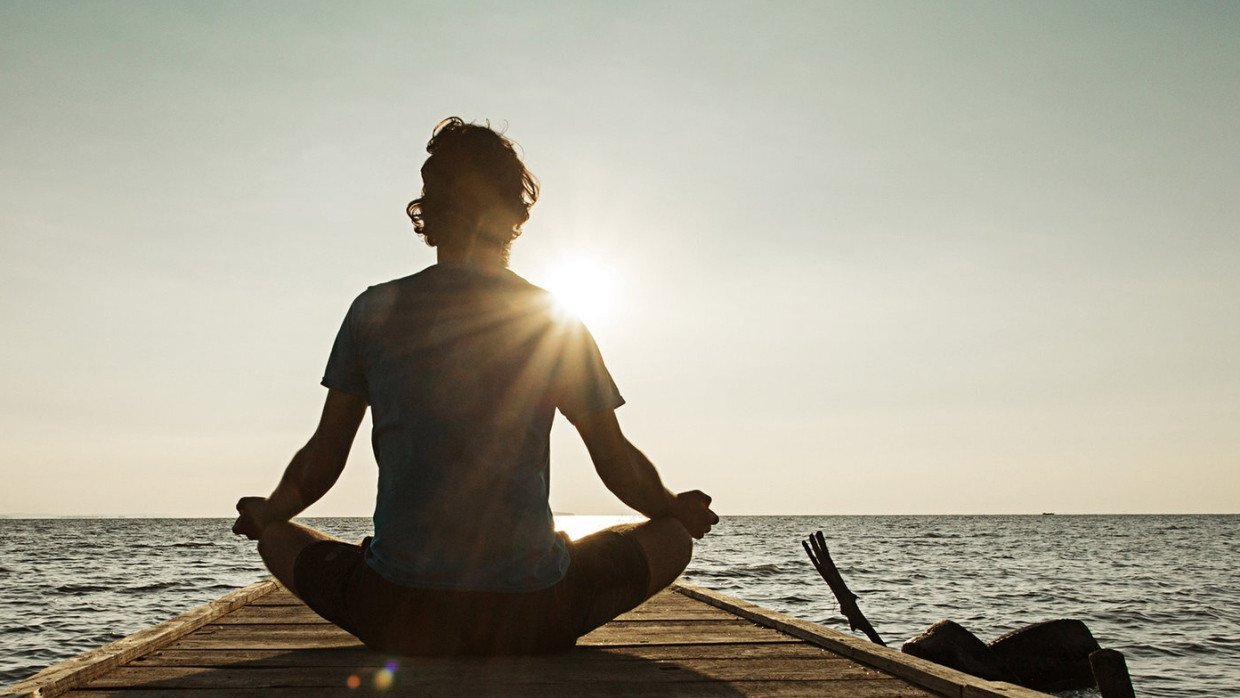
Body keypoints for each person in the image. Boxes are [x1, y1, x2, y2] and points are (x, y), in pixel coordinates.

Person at [232, 117, 718, 656]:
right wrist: (676, 508)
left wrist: (270, 513)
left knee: (280, 537)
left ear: (429, 213)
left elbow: (324, 457)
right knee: (670, 538)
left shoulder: (373, 311)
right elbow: (616, 462)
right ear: (514, 214)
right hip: (532, 615)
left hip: (399, 613)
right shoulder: (552, 318)